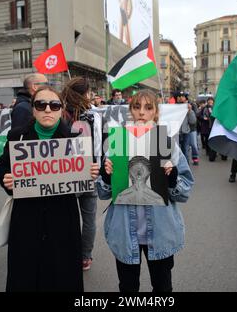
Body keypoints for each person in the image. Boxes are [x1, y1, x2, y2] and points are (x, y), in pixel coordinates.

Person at [95, 90, 194, 292]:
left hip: (160, 232)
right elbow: (104, 193)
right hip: (124, 232)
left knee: (162, 285)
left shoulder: (166, 143)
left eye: (148, 107)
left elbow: (184, 192)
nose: (142, 112)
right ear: (131, 111)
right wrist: (106, 175)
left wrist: (172, 176)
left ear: (155, 113)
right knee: (128, 287)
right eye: (137, 107)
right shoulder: (117, 142)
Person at [0, 85, 84, 292]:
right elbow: (2, 166)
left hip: (63, 221)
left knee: (62, 276)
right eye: (40, 104)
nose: (47, 109)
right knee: (25, 275)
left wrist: (91, 171)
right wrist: (6, 178)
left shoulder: (74, 137)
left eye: (54, 105)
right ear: (33, 109)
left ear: (61, 109)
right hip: (26, 220)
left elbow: (84, 178)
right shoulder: (17, 136)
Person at [61, 77, 100, 272]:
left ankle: (68, 253)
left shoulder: (60, 114)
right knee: (89, 219)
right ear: (85, 93)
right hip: (89, 171)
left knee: (68, 218)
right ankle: (85, 256)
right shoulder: (93, 115)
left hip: (67, 173)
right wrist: (97, 168)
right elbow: (99, 145)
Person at [177, 92, 199, 165]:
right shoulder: (174, 106)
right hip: (176, 133)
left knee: (186, 150)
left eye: (182, 96)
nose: (181, 98)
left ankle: (186, 166)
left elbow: (193, 121)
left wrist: (190, 111)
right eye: (179, 96)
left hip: (186, 132)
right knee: (175, 151)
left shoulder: (190, 106)